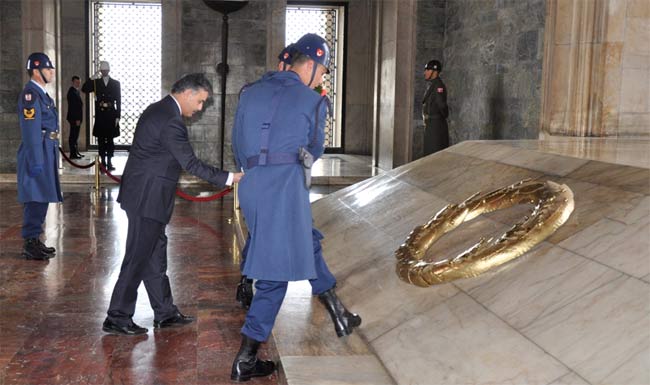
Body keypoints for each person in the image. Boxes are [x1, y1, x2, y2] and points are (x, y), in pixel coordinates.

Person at [230, 34, 360, 382]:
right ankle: (246, 358)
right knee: (274, 277)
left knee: (306, 238)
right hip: (285, 187)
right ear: (312, 64)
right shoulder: (313, 100)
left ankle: (339, 311)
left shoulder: (249, 93)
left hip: (253, 186)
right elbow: (315, 151)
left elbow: (236, 145)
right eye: (323, 71)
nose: (322, 78)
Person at [102, 73, 243, 336]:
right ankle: (117, 316)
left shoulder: (160, 109)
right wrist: (229, 178)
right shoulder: (170, 120)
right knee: (138, 257)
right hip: (147, 198)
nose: (200, 108)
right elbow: (190, 163)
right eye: (200, 101)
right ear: (188, 93)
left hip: (147, 196)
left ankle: (165, 312)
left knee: (154, 255)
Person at [16, 52, 62, 260]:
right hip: (38, 150)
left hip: (45, 148)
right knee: (35, 196)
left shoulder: (42, 93)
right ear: (36, 71)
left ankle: (35, 239)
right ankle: (29, 241)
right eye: (47, 68)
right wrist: (36, 159)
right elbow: (31, 130)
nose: (52, 71)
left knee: (42, 196)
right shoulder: (31, 95)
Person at [82, 60, 120, 170]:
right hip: (101, 116)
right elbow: (84, 89)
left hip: (111, 115)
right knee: (101, 140)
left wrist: (118, 116)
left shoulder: (115, 83)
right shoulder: (96, 83)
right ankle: (102, 161)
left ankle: (109, 161)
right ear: (100, 70)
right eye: (102, 70)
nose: (104, 72)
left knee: (110, 140)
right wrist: (91, 79)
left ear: (109, 70)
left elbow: (118, 100)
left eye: (105, 70)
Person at [422, 59, 449, 155]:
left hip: (436, 125)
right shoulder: (433, 84)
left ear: (435, 71)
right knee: (429, 152)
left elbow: (441, 104)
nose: (425, 72)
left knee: (434, 152)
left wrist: (443, 116)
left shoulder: (438, 86)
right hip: (431, 124)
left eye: (427, 70)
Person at [66, 75, 84, 159]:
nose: (78, 84)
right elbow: (73, 107)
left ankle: (76, 152)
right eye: (77, 82)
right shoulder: (72, 92)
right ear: (73, 82)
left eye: (79, 82)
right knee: (73, 136)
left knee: (75, 136)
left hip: (77, 118)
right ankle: (73, 154)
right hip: (74, 118)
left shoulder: (76, 91)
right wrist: (77, 119)